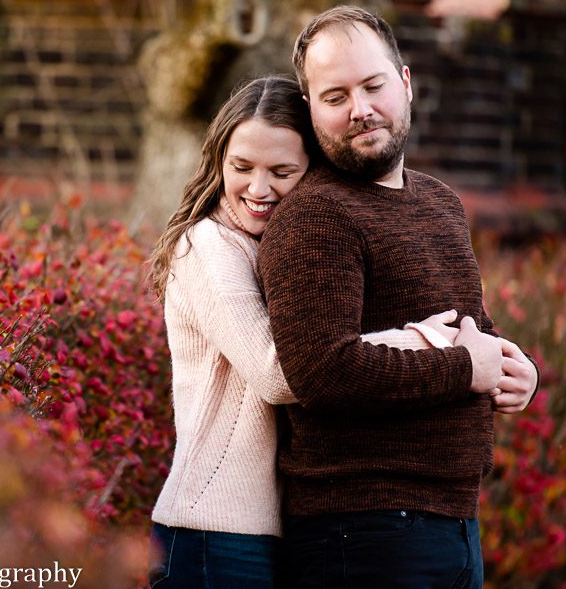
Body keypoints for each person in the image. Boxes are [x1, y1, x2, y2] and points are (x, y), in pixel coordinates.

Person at [257, 6, 540, 589]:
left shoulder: (440, 202)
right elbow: (321, 372)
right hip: (361, 530)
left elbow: (469, 331)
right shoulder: (317, 216)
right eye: (335, 97)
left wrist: (517, 368)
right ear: (311, 109)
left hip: (454, 520)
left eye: (373, 86)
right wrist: (467, 370)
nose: (359, 109)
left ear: (405, 83)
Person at [146, 75, 464, 589]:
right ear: (219, 161)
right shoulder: (208, 246)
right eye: (241, 167)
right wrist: (427, 340)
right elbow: (283, 371)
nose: (258, 188)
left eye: (282, 172)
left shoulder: (295, 245)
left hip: (281, 530)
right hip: (214, 532)